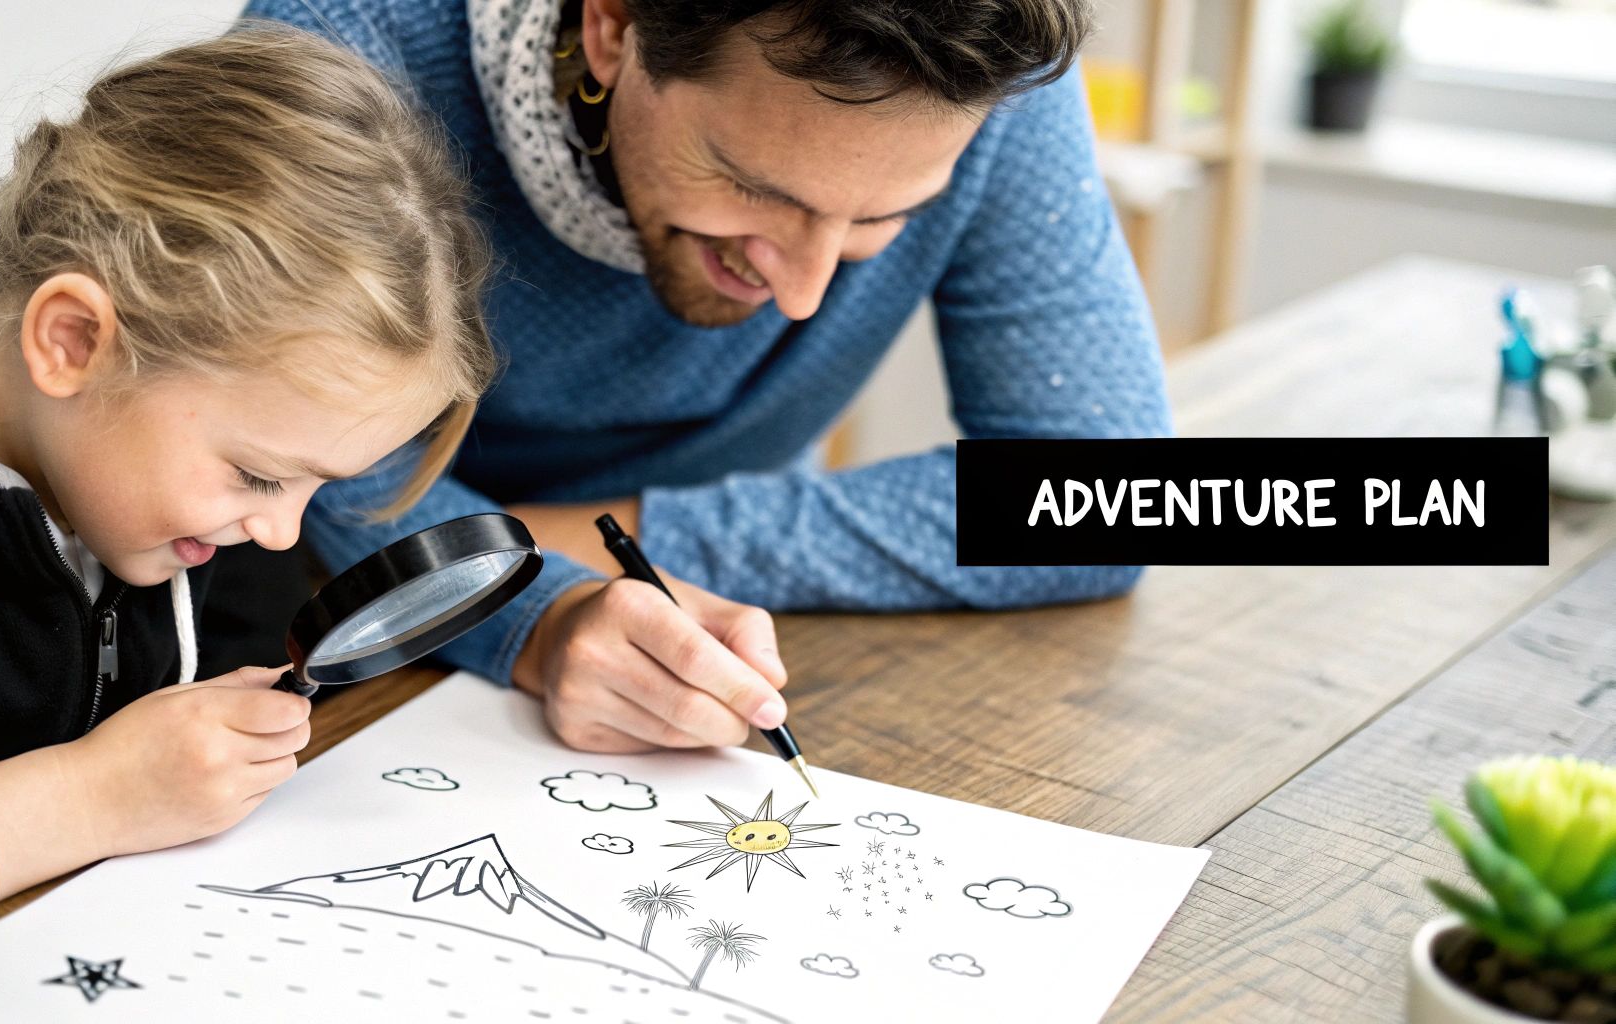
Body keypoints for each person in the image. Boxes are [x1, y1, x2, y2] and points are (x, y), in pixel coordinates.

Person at [243, 1, 1174, 753]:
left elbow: (1112, 503)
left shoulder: (988, 74)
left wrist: (607, 537)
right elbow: (322, 480)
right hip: (334, 639)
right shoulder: (342, 51)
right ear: (613, 27)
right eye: (756, 188)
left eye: (878, 219)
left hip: (724, 636)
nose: (802, 294)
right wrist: (545, 607)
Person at [0, 27, 495, 983]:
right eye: (260, 475)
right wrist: (91, 797)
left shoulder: (192, 517)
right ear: (73, 340)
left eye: (319, 486)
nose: (283, 534)